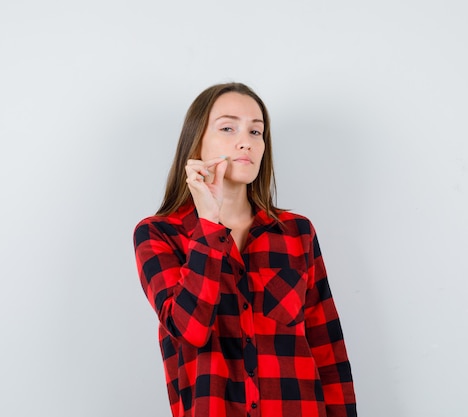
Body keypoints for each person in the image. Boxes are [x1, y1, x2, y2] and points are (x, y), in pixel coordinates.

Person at [133, 82, 357, 417]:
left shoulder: (297, 233)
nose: (246, 142)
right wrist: (208, 221)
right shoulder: (158, 235)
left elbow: (328, 351)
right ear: (196, 142)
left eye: (256, 132)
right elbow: (189, 330)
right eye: (228, 127)